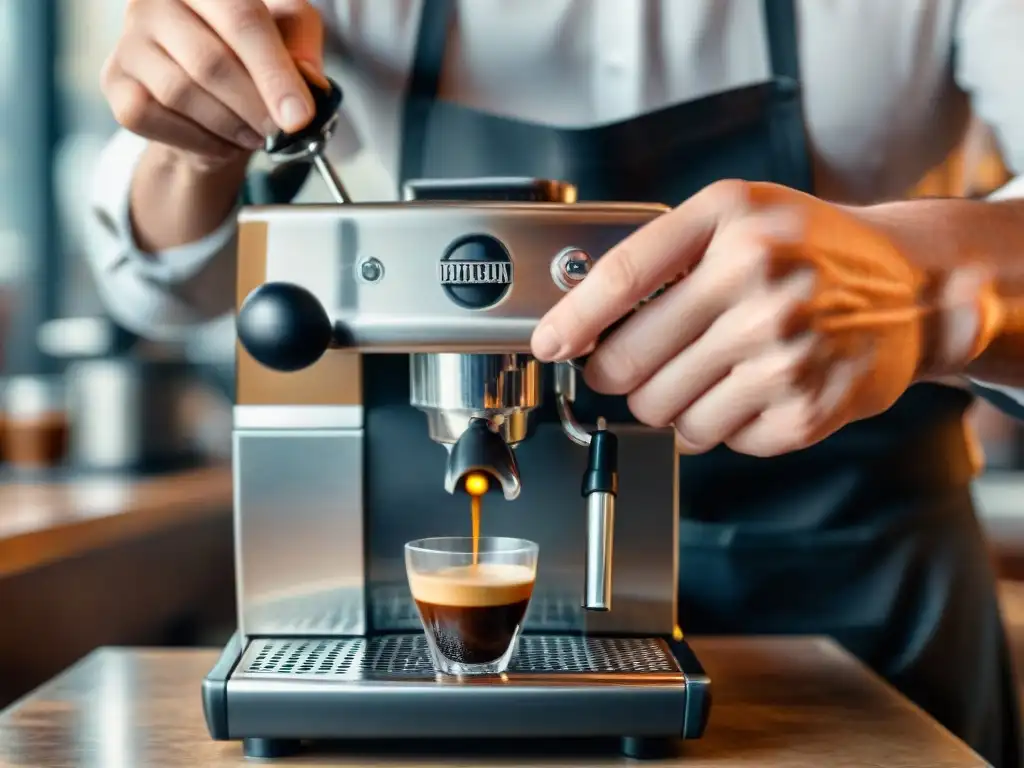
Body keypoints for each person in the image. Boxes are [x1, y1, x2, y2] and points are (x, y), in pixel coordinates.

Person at [86, 0, 1024, 764]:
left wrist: (939, 283)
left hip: (867, 599)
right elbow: (166, 282)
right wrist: (189, 148)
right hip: (404, 512)